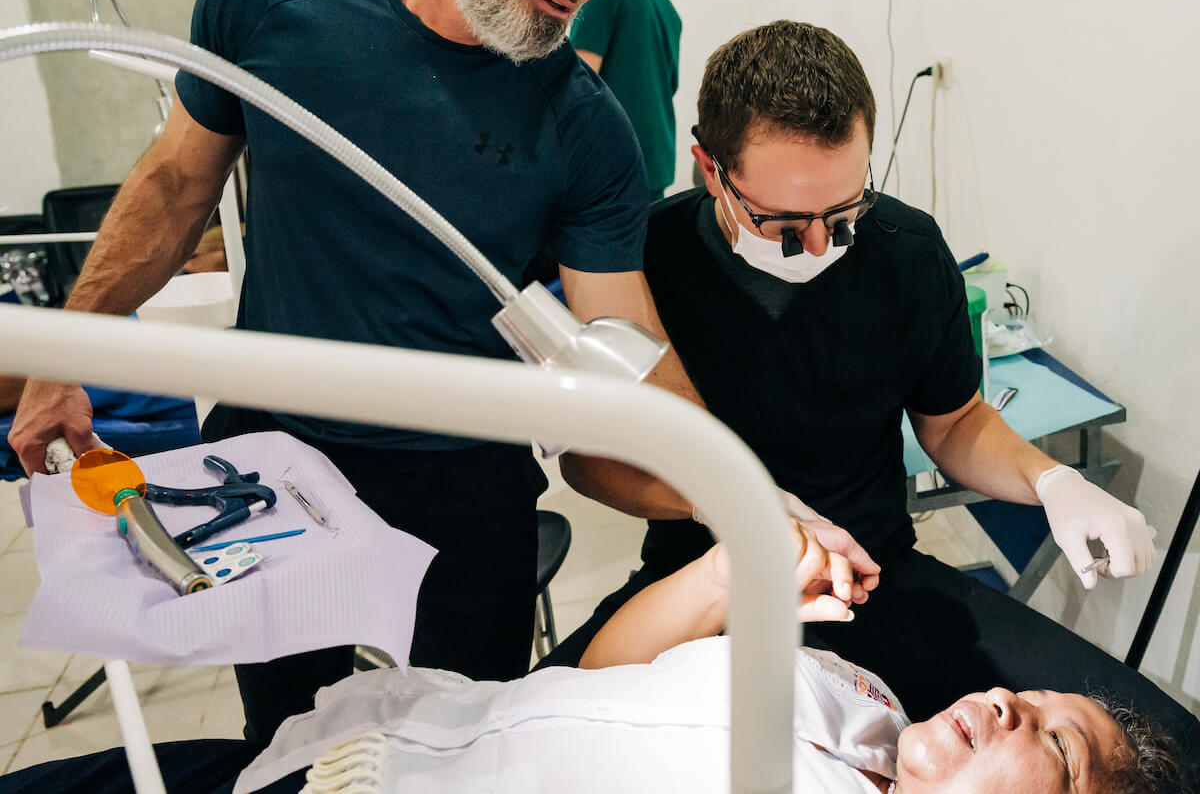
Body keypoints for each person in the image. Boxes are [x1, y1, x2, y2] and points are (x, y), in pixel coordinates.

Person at [7, 0, 709, 744]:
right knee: (285, 746)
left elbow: (618, 331)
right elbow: (172, 191)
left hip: (464, 494)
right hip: (274, 470)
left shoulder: (582, 124)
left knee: (462, 752)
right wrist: (61, 354)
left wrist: (736, 482)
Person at [554, 19, 1159, 723]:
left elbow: (954, 422)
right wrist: (726, 501)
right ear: (711, 169)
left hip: (873, 576)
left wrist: (1051, 481)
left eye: (844, 213)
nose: (820, 245)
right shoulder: (643, 261)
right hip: (697, 582)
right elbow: (590, 464)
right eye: (785, 224)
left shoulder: (907, 252)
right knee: (532, 728)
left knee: (1149, 731)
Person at [0, 525, 1190, 794]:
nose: (1006, 696)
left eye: (1057, 744)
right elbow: (602, 669)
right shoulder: (862, 694)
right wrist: (723, 575)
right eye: (1031, 693)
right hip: (347, 745)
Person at [571, 0, 681, 200]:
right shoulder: (663, 1)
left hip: (611, 161)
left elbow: (578, 84)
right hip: (655, 155)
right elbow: (670, 83)